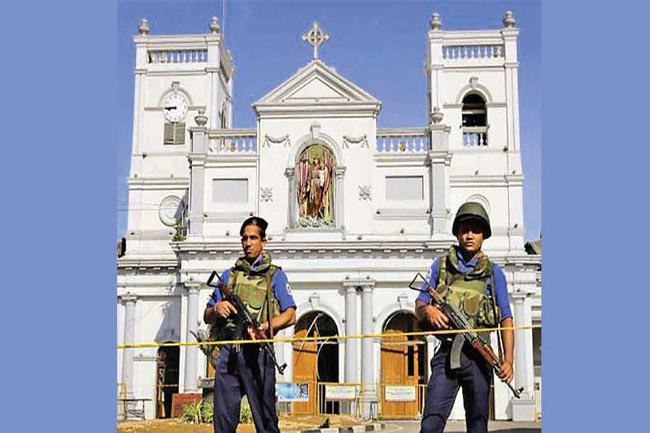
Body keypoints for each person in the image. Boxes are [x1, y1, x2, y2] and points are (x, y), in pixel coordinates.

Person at [415, 202, 514, 433]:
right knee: (431, 423)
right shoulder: (440, 266)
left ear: (483, 235)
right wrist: (428, 311)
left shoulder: (493, 273)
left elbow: (506, 318)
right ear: (457, 233)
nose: (469, 235)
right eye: (464, 229)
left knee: (478, 425)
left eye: (475, 230)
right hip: (447, 355)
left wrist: (508, 360)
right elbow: (419, 304)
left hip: (480, 357)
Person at [204, 216, 296, 433]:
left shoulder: (275, 276)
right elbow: (207, 315)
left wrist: (265, 327)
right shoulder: (229, 276)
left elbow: (290, 315)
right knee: (223, 422)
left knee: (265, 421)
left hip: (259, 353)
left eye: (253, 238)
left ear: (264, 242)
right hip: (230, 354)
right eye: (244, 238)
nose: (248, 243)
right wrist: (217, 309)